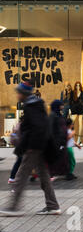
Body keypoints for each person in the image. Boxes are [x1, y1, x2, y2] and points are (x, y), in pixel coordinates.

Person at [0, 81, 61, 216]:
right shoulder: (37, 104)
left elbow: (37, 128)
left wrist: (28, 146)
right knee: (44, 175)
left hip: (34, 147)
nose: (17, 95)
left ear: (24, 94)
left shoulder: (31, 106)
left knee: (21, 176)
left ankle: (13, 207)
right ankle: (52, 205)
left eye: (19, 93)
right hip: (40, 146)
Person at [48, 100, 70, 181]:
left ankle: (67, 173)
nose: (62, 106)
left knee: (63, 158)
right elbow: (51, 129)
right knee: (57, 158)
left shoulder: (59, 115)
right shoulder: (53, 115)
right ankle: (51, 174)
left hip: (61, 141)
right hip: (56, 141)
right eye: (61, 105)